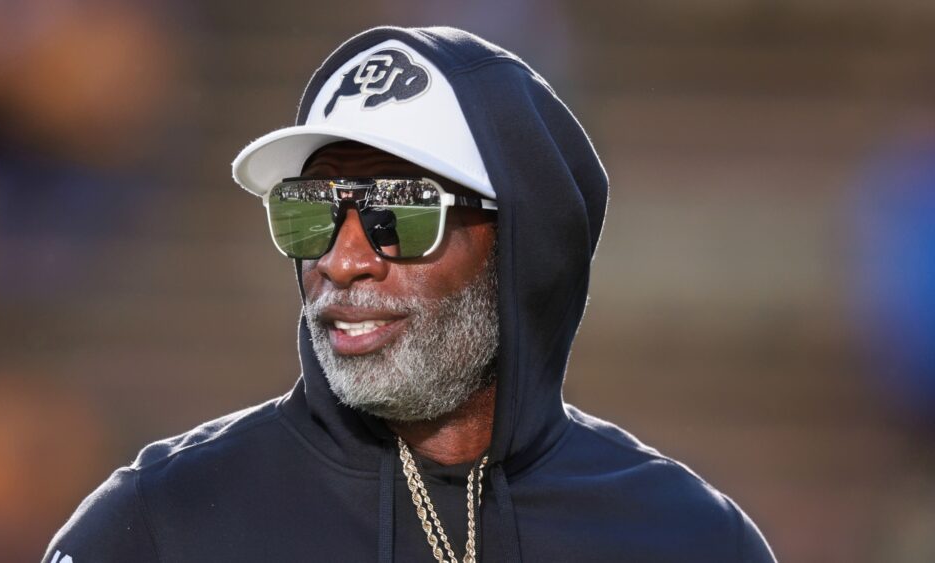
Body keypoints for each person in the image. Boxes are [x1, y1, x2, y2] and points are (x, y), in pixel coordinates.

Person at [43, 26, 775, 562]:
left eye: (401, 210)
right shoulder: (159, 525)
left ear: (521, 243)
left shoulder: (689, 538)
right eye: (310, 208)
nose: (343, 258)